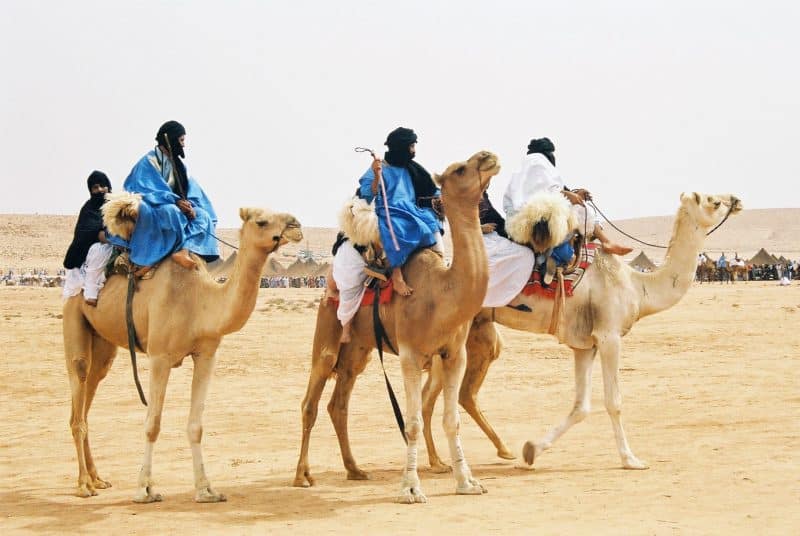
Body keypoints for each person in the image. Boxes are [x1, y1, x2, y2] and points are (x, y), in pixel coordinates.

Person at [329, 127, 442, 343]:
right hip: (386, 209)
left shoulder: (413, 170)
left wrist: (440, 199)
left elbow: (430, 190)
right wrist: (377, 175)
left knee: (431, 227)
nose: (414, 151)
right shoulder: (381, 168)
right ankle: (397, 275)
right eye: (411, 146)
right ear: (401, 147)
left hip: (410, 210)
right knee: (396, 228)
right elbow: (367, 193)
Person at [108, 120, 218, 274]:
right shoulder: (148, 162)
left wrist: (190, 207)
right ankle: (150, 258)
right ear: (170, 139)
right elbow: (145, 190)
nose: (184, 145)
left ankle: (184, 250)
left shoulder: (180, 166)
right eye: (181, 140)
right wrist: (175, 201)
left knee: (204, 215)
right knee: (171, 211)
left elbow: (192, 191)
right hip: (153, 206)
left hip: (176, 206)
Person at [503, 137, 632, 257]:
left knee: (576, 207)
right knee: (581, 209)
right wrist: (569, 195)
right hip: (531, 225)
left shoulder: (522, 170)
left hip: (518, 226)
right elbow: (538, 196)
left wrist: (576, 194)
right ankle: (606, 241)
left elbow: (551, 190)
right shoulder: (536, 163)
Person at [62, 171, 115, 305]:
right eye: (95, 188)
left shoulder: (116, 204)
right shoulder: (89, 209)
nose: (100, 190)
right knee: (101, 249)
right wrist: (114, 239)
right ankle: (90, 289)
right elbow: (91, 233)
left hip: (119, 241)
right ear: (90, 190)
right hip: (92, 249)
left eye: (103, 186)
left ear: (108, 186)